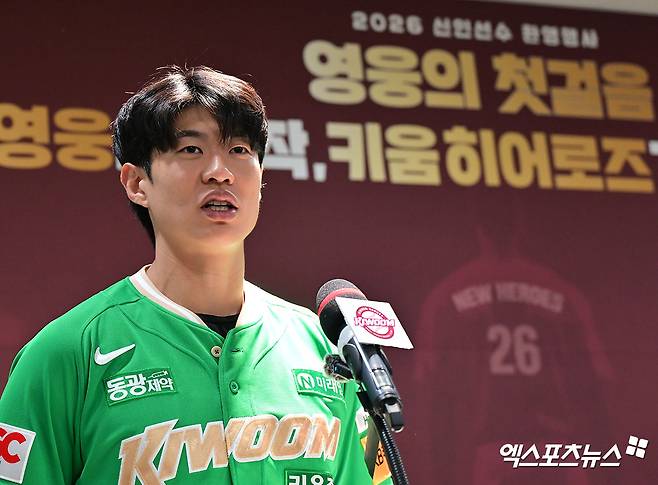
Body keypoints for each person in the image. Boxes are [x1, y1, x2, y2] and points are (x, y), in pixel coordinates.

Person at [0, 66, 391, 485]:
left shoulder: (324, 348)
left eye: (239, 150)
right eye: (191, 149)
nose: (220, 172)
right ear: (136, 183)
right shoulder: (66, 351)